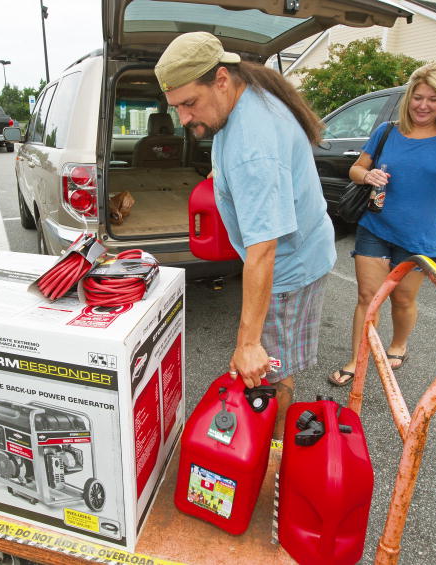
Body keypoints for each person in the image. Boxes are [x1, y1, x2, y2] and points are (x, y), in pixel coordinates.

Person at [155, 32, 336, 439]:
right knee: (268, 365)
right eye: (176, 106)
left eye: (189, 103)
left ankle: (272, 452)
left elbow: (264, 253)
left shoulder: (254, 146)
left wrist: (247, 343)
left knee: (270, 370)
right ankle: (267, 442)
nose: (183, 118)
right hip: (294, 251)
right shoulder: (243, 98)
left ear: (220, 79)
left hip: (291, 268)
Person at [329, 62, 436, 386]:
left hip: (418, 236)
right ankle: (357, 360)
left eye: (434, 99)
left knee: (402, 299)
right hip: (376, 226)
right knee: (367, 298)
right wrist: (366, 175)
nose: (424, 105)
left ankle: (399, 344)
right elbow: (357, 169)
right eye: (419, 97)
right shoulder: (387, 131)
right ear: (409, 96)